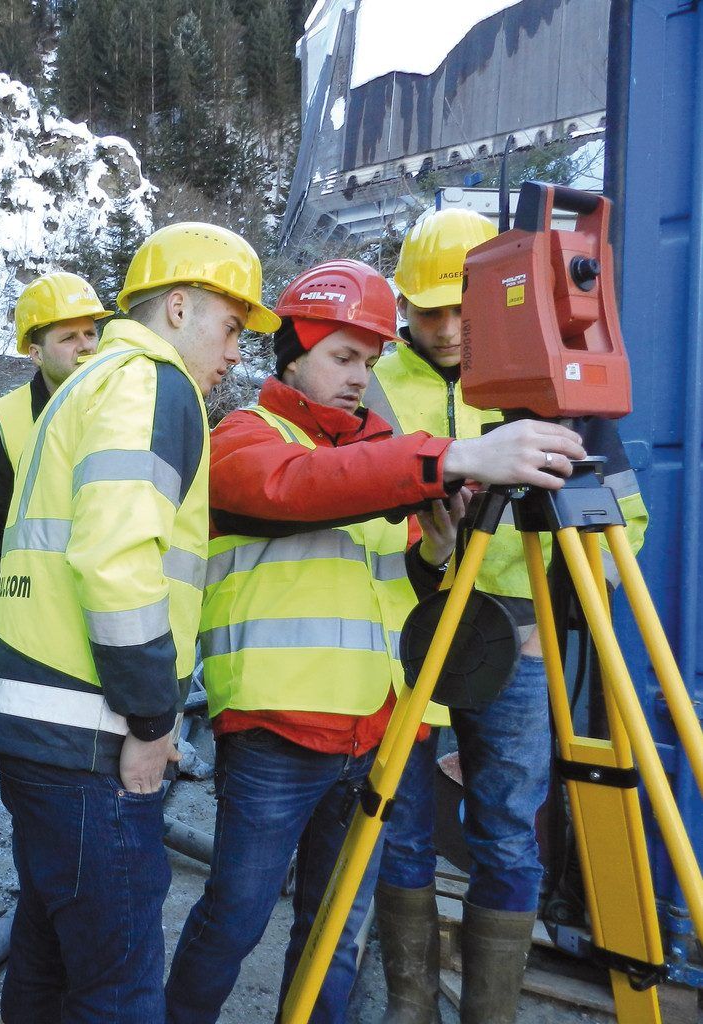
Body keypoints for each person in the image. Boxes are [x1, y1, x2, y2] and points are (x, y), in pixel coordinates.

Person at [164, 258, 587, 1024]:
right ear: (291, 354)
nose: (361, 377)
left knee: (336, 934)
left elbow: (393, 582)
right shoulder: (244, 436)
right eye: (343, 357)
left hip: (373, 731)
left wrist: (435, 545)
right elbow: (293, 487)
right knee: (235, 919)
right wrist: (449, 455)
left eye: (370, 360)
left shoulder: (380, 456)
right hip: (276, 734)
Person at [0, 223, 280, 1024]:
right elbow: (116, 560)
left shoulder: (88, 383)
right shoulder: (152, 381)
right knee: (119, 990)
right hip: (89, 736)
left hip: (38, 728)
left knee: (49, 955)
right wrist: (151, 716)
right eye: (232, 324)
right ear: (179, 307)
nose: (237, 351)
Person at [363, 209, 649, 1024]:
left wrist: (552, 615)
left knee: (505, 833)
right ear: (404, 309)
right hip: (407, 635)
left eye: (460, 306)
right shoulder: (380, 388)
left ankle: (490, 1013)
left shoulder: (550, 384)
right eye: (427, 310)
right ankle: (409, 1008)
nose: (446, 328)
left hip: (520, 642)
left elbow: (624, 518)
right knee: (404, 828)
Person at [0, 272, 110, 617]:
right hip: (38, 630)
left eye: (90, 333)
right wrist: (19, 622)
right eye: (68, 337)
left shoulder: (123, 411)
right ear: (35, 354)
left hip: (118, 621)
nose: (85, 346)